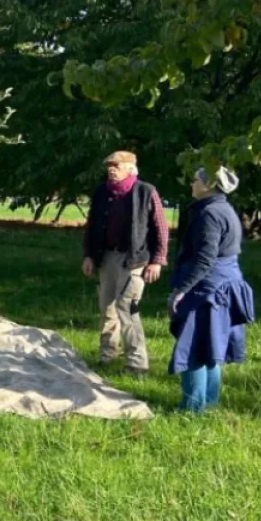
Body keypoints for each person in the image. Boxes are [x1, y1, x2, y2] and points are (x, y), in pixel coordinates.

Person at [167, 167, 255, 412]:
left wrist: (181, 290)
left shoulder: (210, 213)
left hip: (209, 291)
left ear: (208, 185)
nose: (192, 184)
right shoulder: (224, 208)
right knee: (212, 346)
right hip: (222, 285)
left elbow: (205, 259)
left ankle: (192, 407)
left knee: (194, 346)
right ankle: (209, 404)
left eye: (195, 180)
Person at [82, 151, 170, 373]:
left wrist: (157, 261)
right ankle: (107, 355)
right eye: (109, 165)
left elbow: (161, 227)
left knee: (127, 307)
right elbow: (91, 226)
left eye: (117, 165)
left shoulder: (145, 191)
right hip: (107, 256)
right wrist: (89, 255)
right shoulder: (102, 192)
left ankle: (137, 364)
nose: (111, 169)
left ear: (131, 169)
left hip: (135, 259)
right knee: (106, 308)